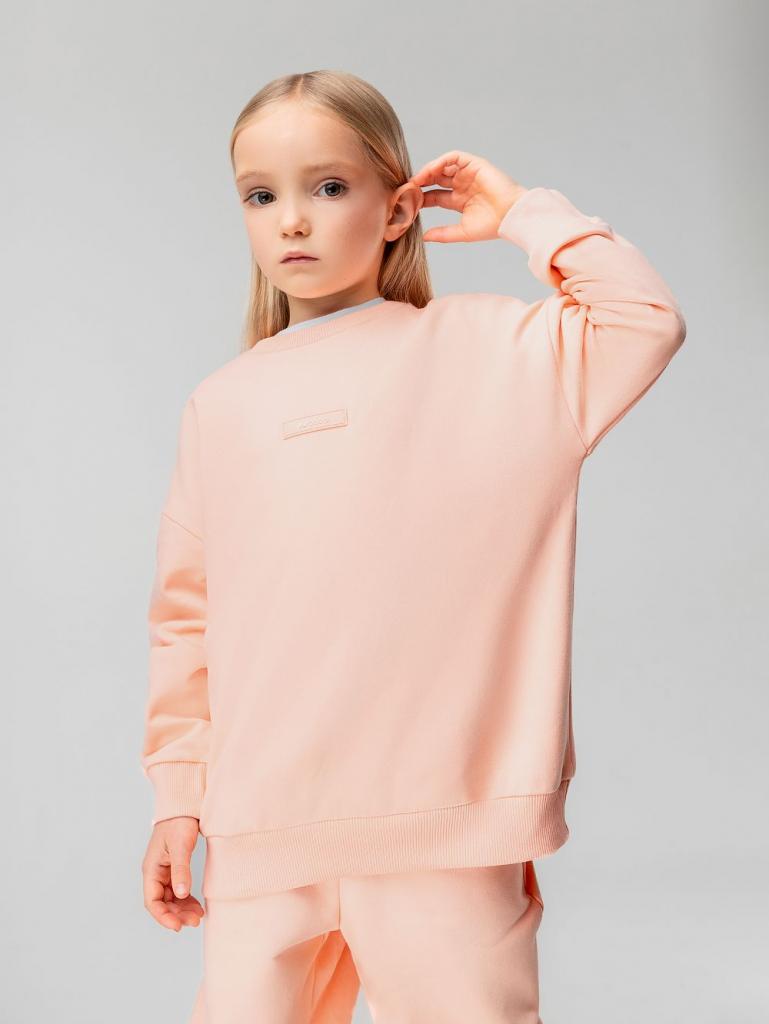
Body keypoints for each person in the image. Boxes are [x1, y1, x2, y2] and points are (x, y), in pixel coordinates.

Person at [139, 69, 686, 1023]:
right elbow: (188, 621)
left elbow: (643, 320)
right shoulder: (220, 406)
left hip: (447, 830)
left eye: (329, 186)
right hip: (264, 830)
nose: (291, 220)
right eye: (260, 196)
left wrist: (521, 214)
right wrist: (178, 799)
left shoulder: (500, 354)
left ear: (397, 210)